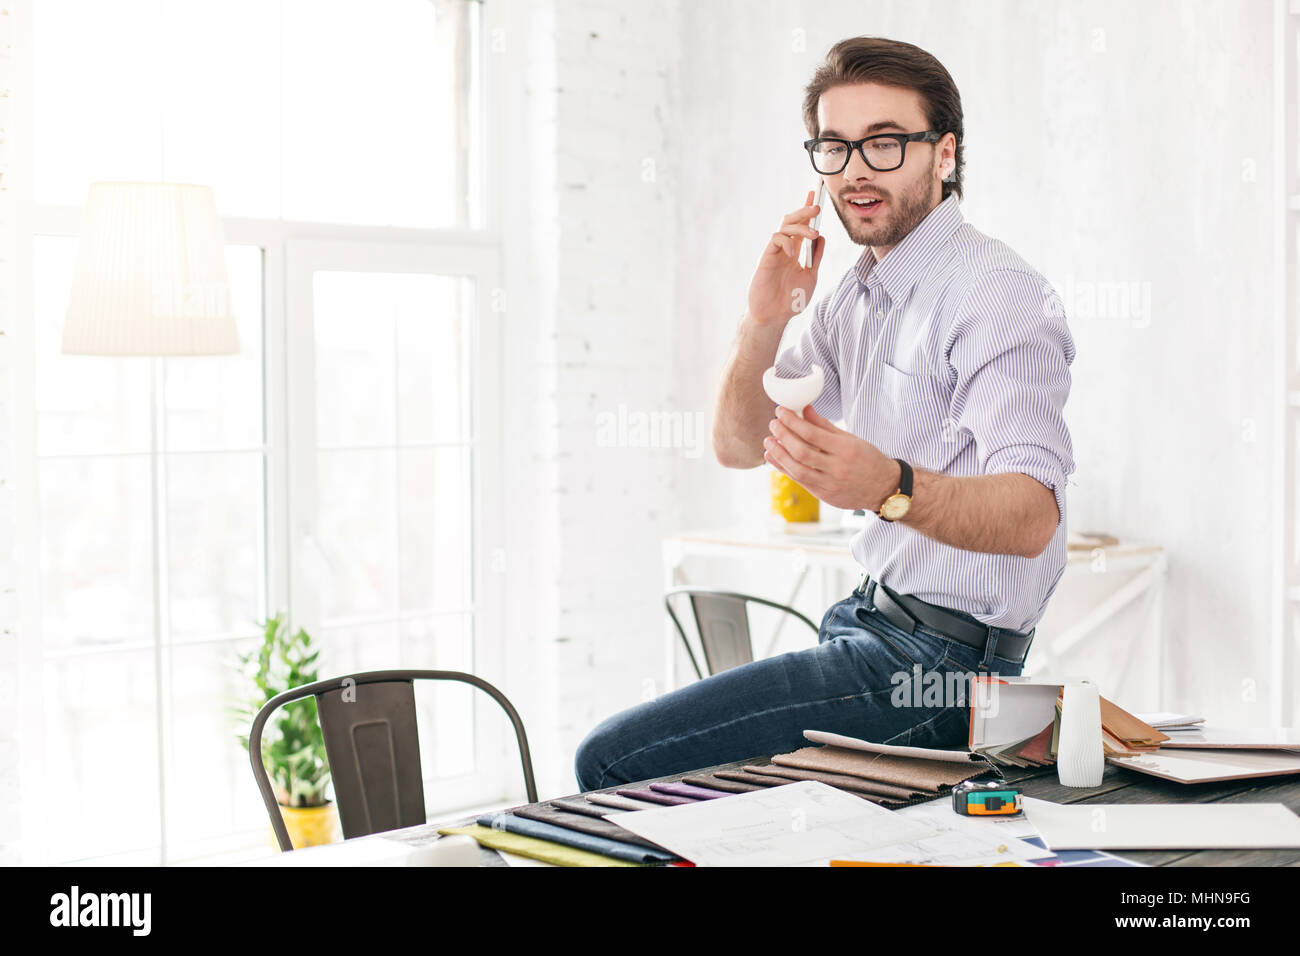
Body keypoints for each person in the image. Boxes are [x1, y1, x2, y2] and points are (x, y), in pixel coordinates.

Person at [574, 36, 1075, 793]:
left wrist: (889, 487)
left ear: (944, 154)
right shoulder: (856, 293)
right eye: (835, 148)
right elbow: (739, 444)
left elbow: (1033, 514)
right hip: (866, 626)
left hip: (941, 673)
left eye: (883, 144)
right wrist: (765, 317)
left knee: (609, 760)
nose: (855, 172)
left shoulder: (994, 293)